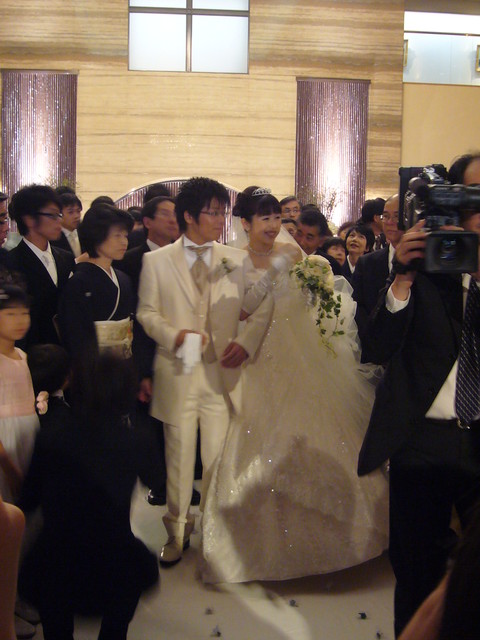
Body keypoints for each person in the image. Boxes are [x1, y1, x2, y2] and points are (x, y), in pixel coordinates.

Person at [200, 187, 388, 584]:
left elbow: (311, 305)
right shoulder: (232, 259)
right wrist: (274, 271)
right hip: (256, 359)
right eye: (264, 218)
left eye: (276, 217)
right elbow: (243, 308)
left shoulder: (295, 252)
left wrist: (313, 288)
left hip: (299, 355)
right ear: (245, 223)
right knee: (257, 437)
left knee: (316, 429)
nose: (273, 225)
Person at [357, 155, 480, 637]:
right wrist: (403, 278)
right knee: (415, 573)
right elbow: (376, 348)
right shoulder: (422, 267)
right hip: (422, 441)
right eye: (472, 197)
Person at [137, 177, 273, 566]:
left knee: (216, 457)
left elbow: (259, 304)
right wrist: (175, 336)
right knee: (178, 458)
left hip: (219, 372)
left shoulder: (234, 258)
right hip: (177, 369)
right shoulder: (156, 261)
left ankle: (213, 530)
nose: (219, 220)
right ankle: (177, 532)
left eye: (222, 212)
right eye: (212, 212)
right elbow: (146, 313)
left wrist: (246, 341)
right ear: (189, 216)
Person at [18, 352, 160, 640]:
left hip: (57, 559)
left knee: (55, 618)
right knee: (126, 593)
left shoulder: (52, 435)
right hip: (113, 559)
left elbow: (29, 499)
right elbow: (157, 481)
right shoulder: (136, 439)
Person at [115, 195, 179, 507]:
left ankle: (179, 480)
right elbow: (136, 320)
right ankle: (158, 482)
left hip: (181, 351)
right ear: (147, 221)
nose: (173, 219)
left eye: (176, 213)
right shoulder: (131, 260)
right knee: (152, 421)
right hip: (147, 351)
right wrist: (142, 369)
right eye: (165, 214)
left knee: (178, 421)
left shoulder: (185, 257)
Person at [57, 203, 134, 362]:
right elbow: (74, 334)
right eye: (117, 236)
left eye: (125, 236)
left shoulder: (123, 278)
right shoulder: (79, 282)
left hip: (124, 363)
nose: (124, 242)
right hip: (92, 364)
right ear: (97, 236)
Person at [5, 185, 75, 348]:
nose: (59, 221)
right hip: (32, 352)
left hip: (65, 351)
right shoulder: (11, 262)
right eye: (52, 215)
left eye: (59, 215)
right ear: (29, 219)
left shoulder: (65, 258)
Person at [352, 194, 404, 362]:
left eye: (397, 216)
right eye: (386, 216)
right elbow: (357, 305)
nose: (390, 222)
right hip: (373, 351)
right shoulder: (367, 262)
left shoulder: (425, 263)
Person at [0, 284, 40, 504]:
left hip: (29, 433)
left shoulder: (23, 355)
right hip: (5, 438)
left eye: (24, 313)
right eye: (11, 314)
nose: (20, 320)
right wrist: (6, 465)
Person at [295, 206, 342, 274]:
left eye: (309, 238)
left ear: (321, 241)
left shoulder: (330, 265)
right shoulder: (284, 257)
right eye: (299, 234)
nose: (301, 242)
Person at [51, 192, 83, 258]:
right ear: (59, 214)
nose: (76, 216)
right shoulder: (54, 238)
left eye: (78, 211)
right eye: (70, 212)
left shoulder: (83, 233)